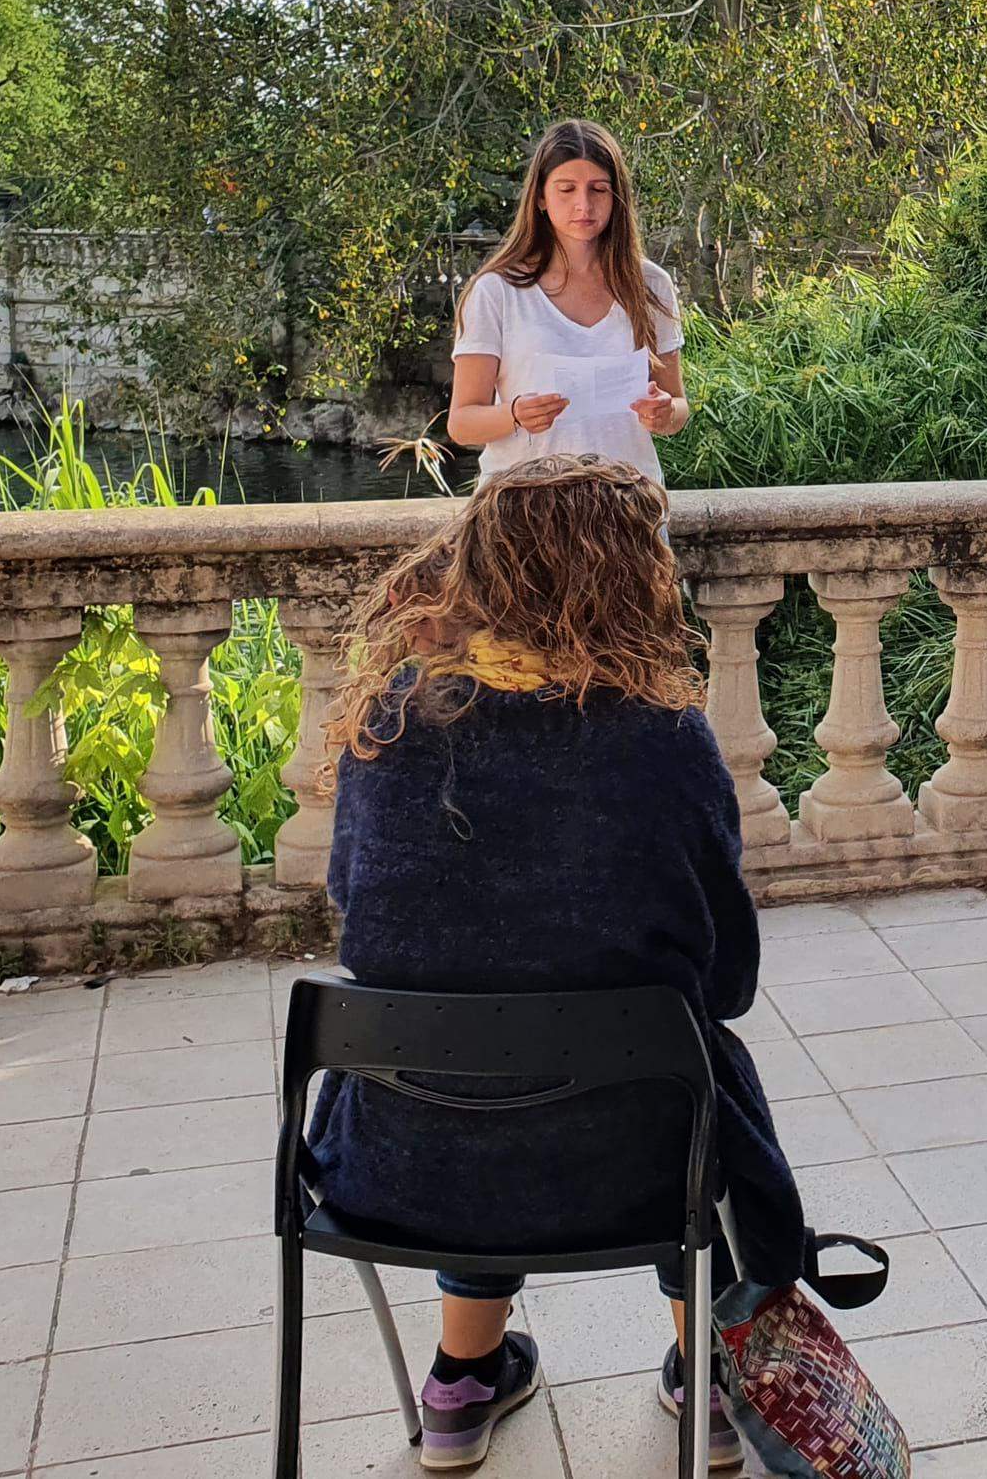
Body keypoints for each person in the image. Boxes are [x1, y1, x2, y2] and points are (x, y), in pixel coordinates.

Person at [309, 455, 804, 1472]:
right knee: (685, 1069)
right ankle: (707, 1373)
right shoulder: (662, 738)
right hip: (636, 1162)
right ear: (632, 577)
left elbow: (366, 928)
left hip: (407, 1157)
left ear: (480, 569)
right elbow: (728, 979)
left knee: (470, 1045)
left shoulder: (389, 722)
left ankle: (459, 1383)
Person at [446, 120, 691, 482]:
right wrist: (514, 414)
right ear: (541, 197)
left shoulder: (651, 284)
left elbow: (679, 406)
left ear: (616, 196)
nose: (584, 205)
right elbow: (462, 423)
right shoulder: (496, 290)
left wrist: (665, 413)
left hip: (628, 507)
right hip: (523, 510)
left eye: (598, 190)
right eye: (566, 189)